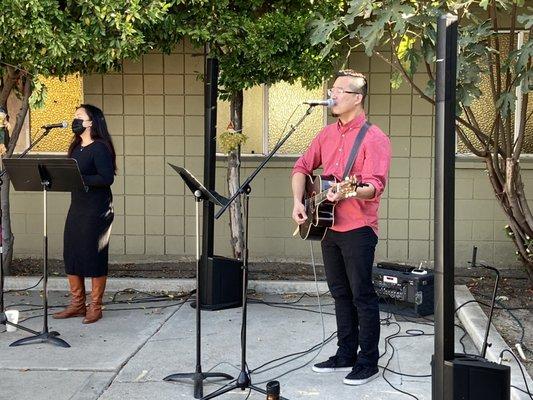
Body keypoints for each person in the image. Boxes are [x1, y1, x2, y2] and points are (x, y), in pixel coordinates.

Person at [291, 70, 391, 385]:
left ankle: (367, 361)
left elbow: (374, 187)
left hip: (359, 228)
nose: (332, 95)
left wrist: (350, 190)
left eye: (339, 90)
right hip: (326, 225)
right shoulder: (326, 134)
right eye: (331, 89)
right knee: (339, 293)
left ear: (357, 97)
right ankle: (345, 353)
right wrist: (298, 201)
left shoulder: (375, 138)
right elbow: (302, 167)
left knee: (362, 294)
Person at [53, 104, 116, 324]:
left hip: (97, 209)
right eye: (74, 116)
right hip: (78, 207)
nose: (75, 120)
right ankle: (77, 304)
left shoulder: (99, 147)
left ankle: (95, 306)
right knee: (72, 251)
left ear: (91, 122)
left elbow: (107, 178)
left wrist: (81, 179)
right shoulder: (76, 147)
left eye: (79, 116)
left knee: (94, 254)